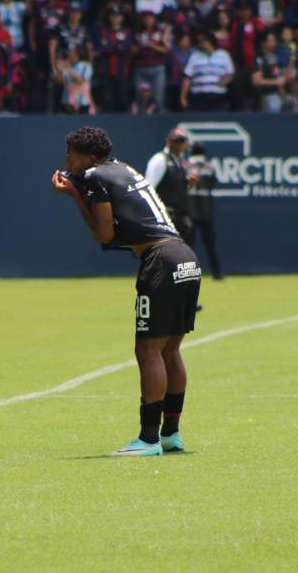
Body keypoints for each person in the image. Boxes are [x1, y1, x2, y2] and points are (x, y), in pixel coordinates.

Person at [51, 126, 201, 456]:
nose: (67, 161)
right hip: (185, 256)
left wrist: (75, 195)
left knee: (148, 351)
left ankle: (148, 439)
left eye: (71, 155)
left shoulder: (92, 176)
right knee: (170, 350)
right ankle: (170, 434)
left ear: (90, 157)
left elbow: (103, 234)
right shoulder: (124, 168)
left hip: (160, 260)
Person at [144, 128, 194, 244]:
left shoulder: (181, 162)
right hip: (165, 219)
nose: (179, 145)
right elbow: (148, 190)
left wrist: (188, 184)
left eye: (181, 142)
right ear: (168, 141)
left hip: (180, 218)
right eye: (176, 141)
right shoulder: (159, 160)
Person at [186, 142, 223, 279]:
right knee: (210, 244)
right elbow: (213, 183)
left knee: (188, 246)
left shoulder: (185, 166)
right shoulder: (210, 167)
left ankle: (188, 274)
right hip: (206, 208)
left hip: (190, 208)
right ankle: (217, 274)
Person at [180, 30, 233, 111]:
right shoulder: (194, 56)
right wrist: (183, 97)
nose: (200, 44)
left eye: (202, 41)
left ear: (209, 41)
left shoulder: (224, 55)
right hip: (198, 97)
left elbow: (230, 74)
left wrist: (224, 81)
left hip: (217, 97)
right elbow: (187, 77)